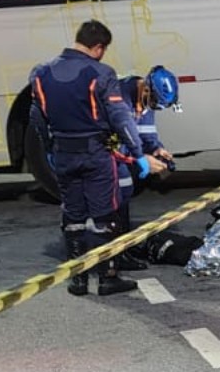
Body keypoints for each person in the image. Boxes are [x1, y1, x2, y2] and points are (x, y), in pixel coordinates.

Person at [29, 20, 167, 296]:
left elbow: (37, 117)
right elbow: (121, 119)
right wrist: (139, 155)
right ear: (99, 47)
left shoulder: (41, 73)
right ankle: (107, 277)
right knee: (106, 216)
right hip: (96, 156)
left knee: (73, 216)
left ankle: (78, 280)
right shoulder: (101, 73)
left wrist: (50, 148)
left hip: (64, 155)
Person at [111, 66, 180, 270]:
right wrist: (141, 159)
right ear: (146, 89)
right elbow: (118, 140)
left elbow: (146, 132)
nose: (154, 109)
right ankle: (113, 254)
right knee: (117, 191)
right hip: (105, 154)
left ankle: (120, 248)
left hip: (119, 153)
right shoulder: (120, 99)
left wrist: (157, 149)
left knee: (124, 189)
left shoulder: (146, 99)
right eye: (155, 104)